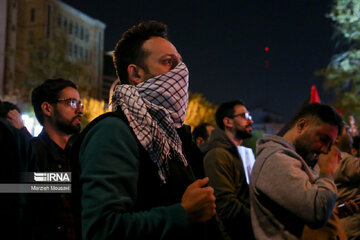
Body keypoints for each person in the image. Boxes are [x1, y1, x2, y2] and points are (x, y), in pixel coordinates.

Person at [79, 20, 216, 240]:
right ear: (136, 74)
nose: (181, 72)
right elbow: (101, 229)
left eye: (180, 63)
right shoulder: (114, 132)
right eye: (168, 62)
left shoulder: (174, 137)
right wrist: (182, 214)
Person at [250, 103, 344, 240]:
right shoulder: (276, 160)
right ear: (301, 126)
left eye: (330, 144)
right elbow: (317, 213)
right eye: (323, 139)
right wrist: (327, 172)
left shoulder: (293, 159)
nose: (325, 150)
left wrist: (333, 211)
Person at [27, 78, 84, 240]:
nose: (80, 110)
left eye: (80, 104)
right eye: (72, 103)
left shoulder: (79, 155)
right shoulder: (31, 152)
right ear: (47, 108)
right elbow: (10, 186)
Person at [202, 100, 255, 239]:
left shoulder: (236, 153)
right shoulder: (218, 155)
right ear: (228, 122)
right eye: (244, 116)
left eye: (250, 116)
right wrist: (261, 221)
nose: (251, 121)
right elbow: (225, 208)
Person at [334, 125, 360, 239]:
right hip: (351, 233)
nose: (351, 137)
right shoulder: (343, 160)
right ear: (337, 138)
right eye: (347, 132)